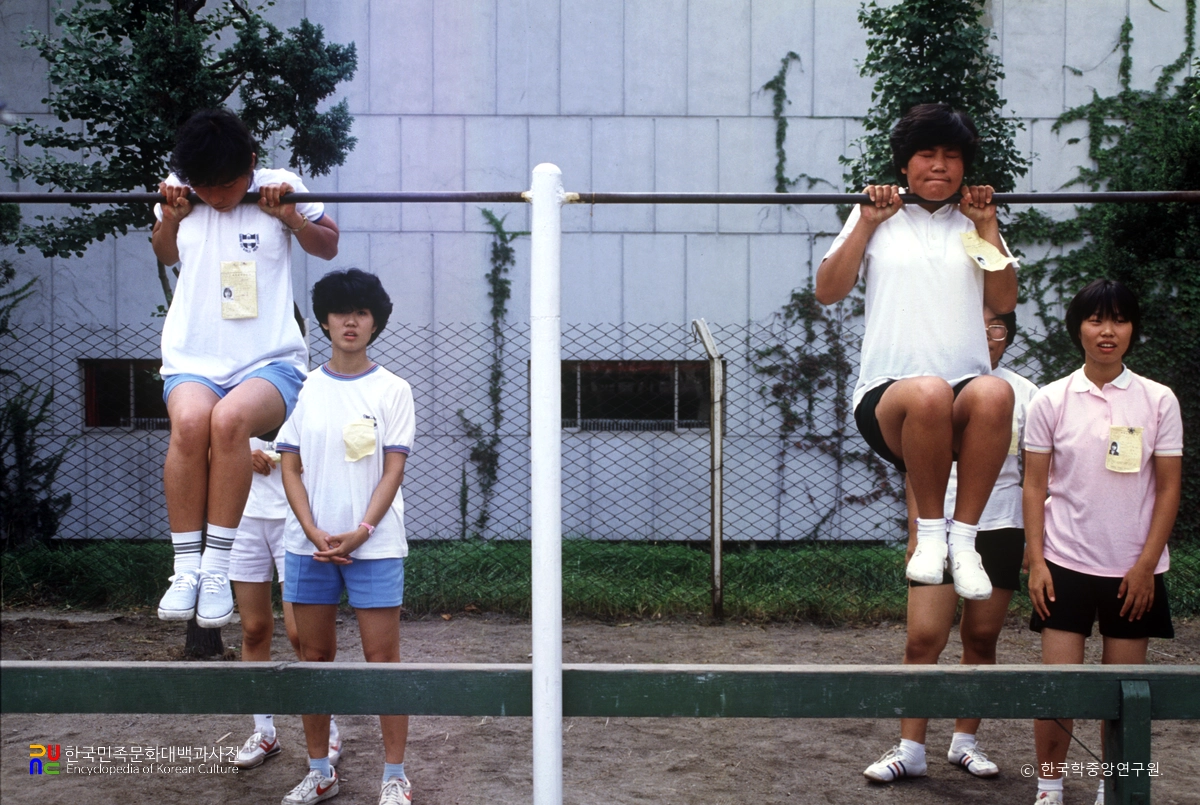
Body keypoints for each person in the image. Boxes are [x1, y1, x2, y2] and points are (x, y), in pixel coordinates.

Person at [813, 101, 1019, 781]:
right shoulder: (877, 216)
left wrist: (988, 226)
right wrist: (865, 222)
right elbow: (827, 290)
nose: (940, 167)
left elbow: (1005, 298)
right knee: (929, 389)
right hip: (891, 396)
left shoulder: (974, 222)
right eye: (927, 155)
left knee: (994, 391)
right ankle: (933, 532)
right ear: (905, 163)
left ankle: (960, 539)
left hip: (961, 395)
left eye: (952, 157)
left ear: (965, 168)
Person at [152, 108, 339, 629]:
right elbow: (165, 254)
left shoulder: (279, 186)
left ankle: (216, 567)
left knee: (229, 422)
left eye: (228, 185)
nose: (216, 197)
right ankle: (186, 568)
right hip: (194, 356)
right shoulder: (179, 190)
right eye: (204, 186)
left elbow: (328, 246)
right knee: (191, 423)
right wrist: (170, 216)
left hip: (269, 359)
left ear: (251, 164)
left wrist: (292, 217)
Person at [1026, 279, 1182, 805]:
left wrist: (1144, 567)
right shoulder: (1051, 398)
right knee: (1059, 688)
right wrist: (1037, 561)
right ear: (1079, 329)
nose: (1107, 331)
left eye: (1118, 319)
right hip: (1065, 563)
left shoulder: (1158, 399)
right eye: (1095, 320)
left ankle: (1112, 790)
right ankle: (1048, 787)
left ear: (1132, 328)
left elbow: (1168, 488)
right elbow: (1034, 484)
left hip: (1133, 571)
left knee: (1124, 693)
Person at [868, 306, 1039, 783]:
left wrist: (1032, 542)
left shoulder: (1024, 394)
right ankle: (910, 748)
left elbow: (1035, 476)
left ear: (1008, 337)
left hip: (1001, 527)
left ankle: (965, 743)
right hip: (938, 527)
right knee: (924, 638)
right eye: (975, 325)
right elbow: (914, 470)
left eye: (996, 328)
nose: (986, 336)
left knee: (981, 638)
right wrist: (916, 531)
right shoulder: (933, 389)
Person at [277, 269, 415, 805]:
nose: (349, 322)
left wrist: (360, 532)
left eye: (360, 313)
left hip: (374, 547)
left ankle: (395, 775)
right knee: (313, 658)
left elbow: (391, 472)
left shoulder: (393, 389)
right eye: (339, 312)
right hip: (307, 545)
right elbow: (290, 468)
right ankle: (320, 771)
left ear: (375, 321)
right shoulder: (302, 386)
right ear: (325, 320)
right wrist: (312, 529)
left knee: (383, 660)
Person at [228, 437, 342, 771]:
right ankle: (264, 731)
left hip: (295, 519)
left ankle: (329, 729)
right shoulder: (233, 390)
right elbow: (207, 446)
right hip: (243, 517)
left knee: (301, 636)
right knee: (253, 629)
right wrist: (241, 454)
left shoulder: (310, 388)